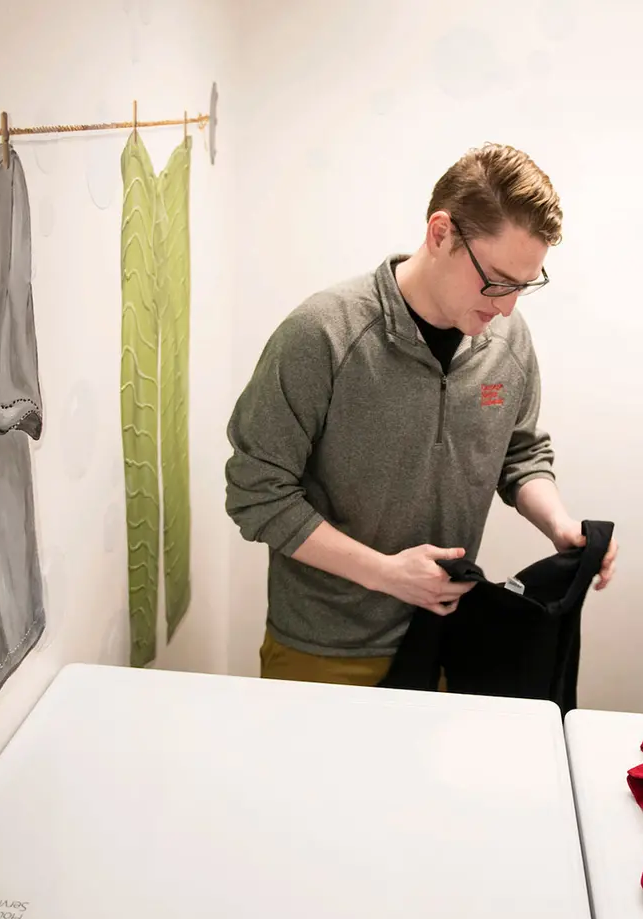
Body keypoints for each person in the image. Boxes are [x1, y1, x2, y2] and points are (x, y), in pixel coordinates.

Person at [226, 143, 617, 685]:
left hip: (446, 637)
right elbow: (255, 491)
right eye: (499, 280)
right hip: (325, 647)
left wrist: (559, 523)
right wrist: (387, 574)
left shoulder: (507, 338)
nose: (507, 306)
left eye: (524, 286)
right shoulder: (323, 334)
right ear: (441, 234)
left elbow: (520, 451)